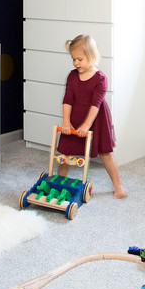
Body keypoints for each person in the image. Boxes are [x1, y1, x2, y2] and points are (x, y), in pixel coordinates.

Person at [59, 34, 127, 198]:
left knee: (106, 153)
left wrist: (87, 125)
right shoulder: (72, 76)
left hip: (96, 120)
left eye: (80, 59)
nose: (76, 63)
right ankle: (58, 183)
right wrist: (66, 122)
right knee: (65, 152)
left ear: (93, 57)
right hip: (76, 116)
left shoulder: (100, 79)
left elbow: (95, 104)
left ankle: (118, 187)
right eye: (73, 59)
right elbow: (67, 99)